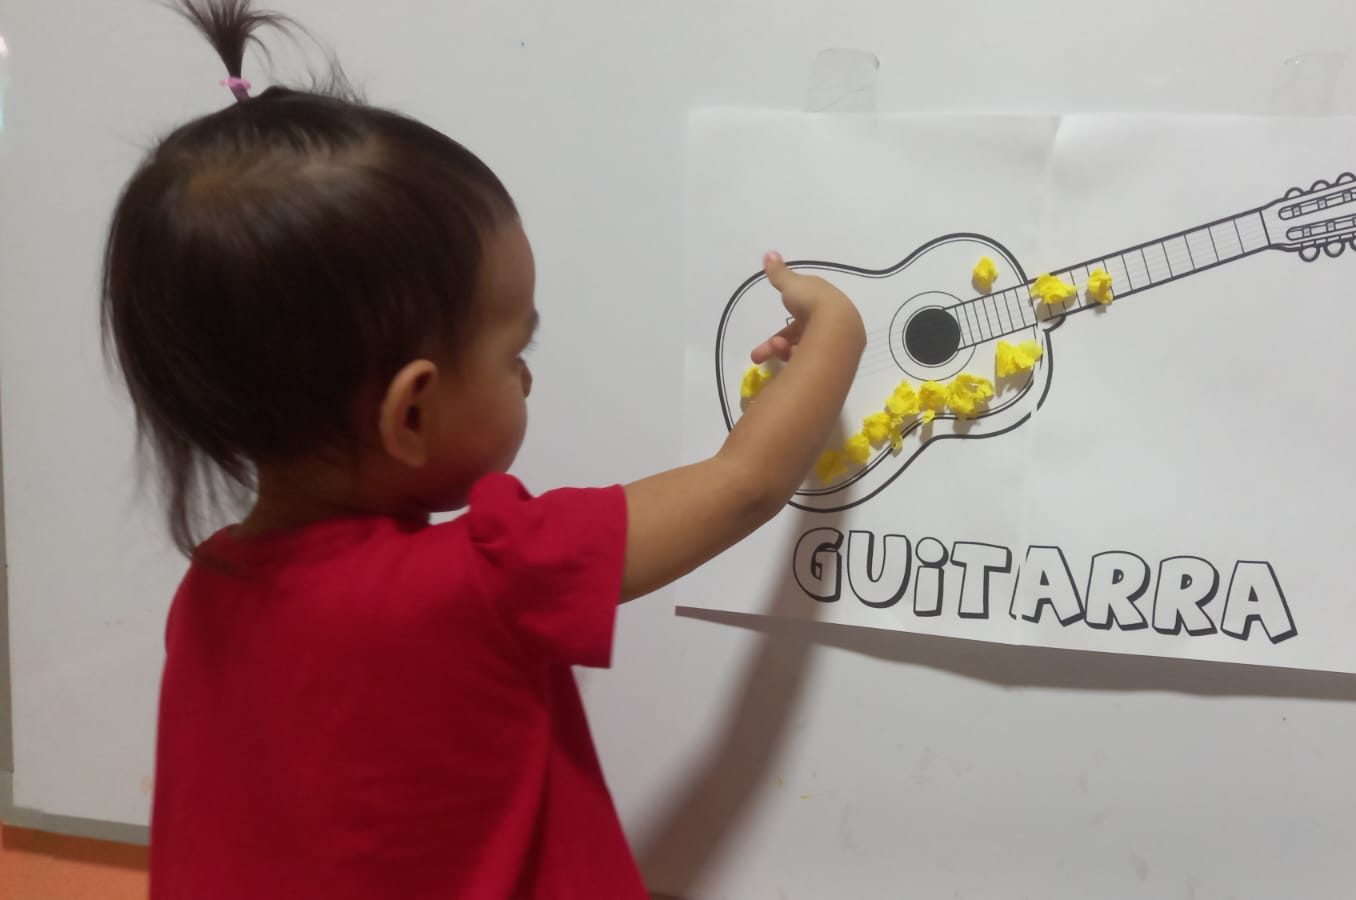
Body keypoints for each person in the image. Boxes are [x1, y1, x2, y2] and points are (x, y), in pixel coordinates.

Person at [102, 2, 865, 896]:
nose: (527, 378)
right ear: (411, 413)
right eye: (514, 353)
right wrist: (838, 330)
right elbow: (744, 483)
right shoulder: (492, 575)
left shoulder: (207, 596)